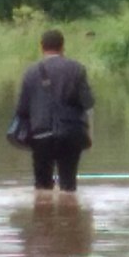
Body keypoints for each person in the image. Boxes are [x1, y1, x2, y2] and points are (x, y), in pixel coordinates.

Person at [14, 29, 95, 193]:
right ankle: (70, 206)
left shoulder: (30, 73)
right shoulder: (77, 69)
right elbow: (88, 102)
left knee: (42, 188)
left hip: (41, 135)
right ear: (63, 47)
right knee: (68, 186)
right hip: (70, 134)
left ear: (41, 47)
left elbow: (22, 110)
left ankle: (43, 207)